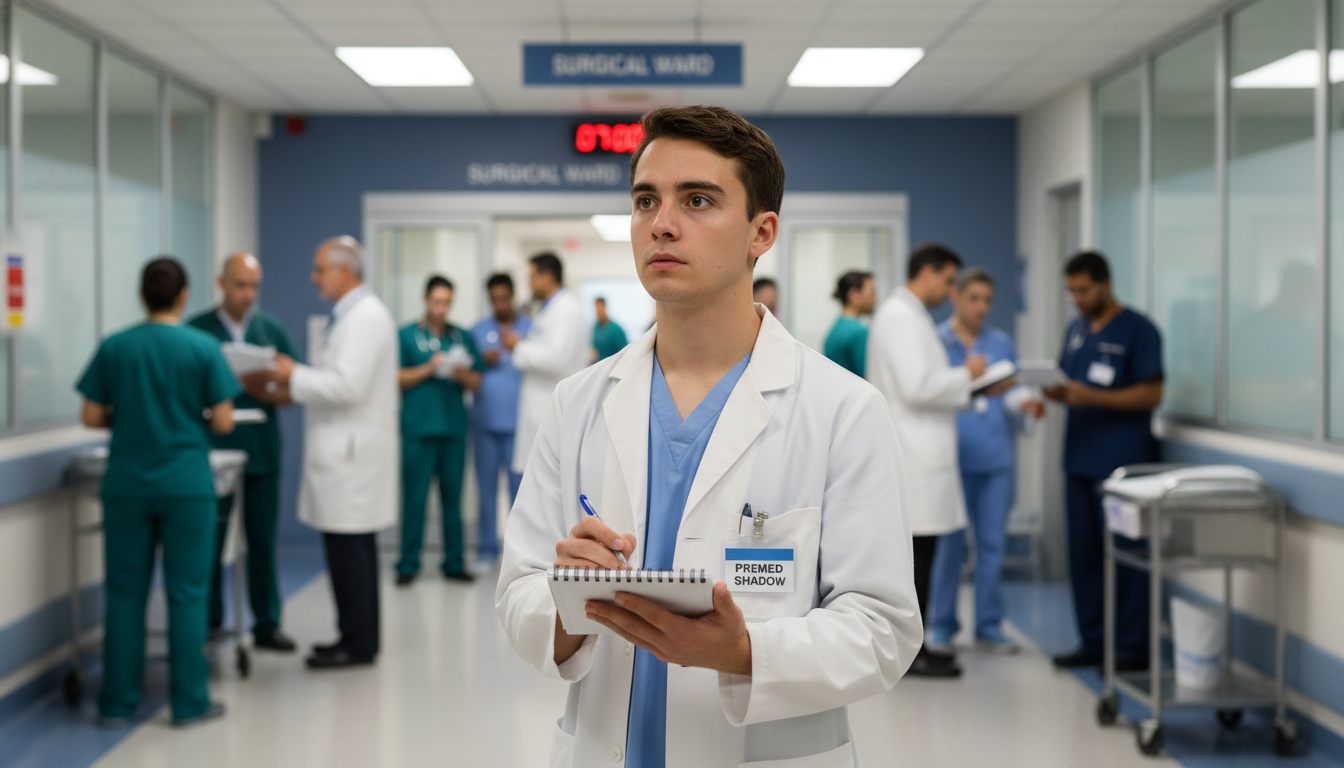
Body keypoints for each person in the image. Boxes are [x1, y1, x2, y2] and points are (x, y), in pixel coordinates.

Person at [496, 105, 920, 767]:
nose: (661, 223)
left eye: (698, 200)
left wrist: (744, 652)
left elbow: (883, 630)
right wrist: (564, 601)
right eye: (646, 200)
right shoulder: (577, 403)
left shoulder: (843, 409)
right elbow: (518, 589)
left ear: (762, 232)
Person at [76, 257, 238, 728]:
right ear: (184, 296)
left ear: (142, 295)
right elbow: (225, 421)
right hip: (187, 486)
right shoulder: (203, 347)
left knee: (124, 594)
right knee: (188, 594)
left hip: (126, 485)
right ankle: (189, 704)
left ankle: (116, 703)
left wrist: (127, 418)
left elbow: (90, 416)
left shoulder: (116, 347)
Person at [254, 236, 399, 670]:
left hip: (352, 457)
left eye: (320, 270)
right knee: (347, 551)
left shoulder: (366, 317)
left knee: (351, 552)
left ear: (343, 272)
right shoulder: (352, 316)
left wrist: (293, 374)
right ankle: (353, 636)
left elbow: (347, 386)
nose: (314, 278)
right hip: (348, 454)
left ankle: (357, 644)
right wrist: (298, 377)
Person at [867, 242, 995, 678]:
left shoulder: (910, 315)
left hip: (924, 454)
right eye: (947, 280)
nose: (950, 290)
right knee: (917, 560)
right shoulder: (900, 317)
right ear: (927, 272)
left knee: (924, 555)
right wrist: (969, 376)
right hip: (915, 455)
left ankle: (917, 648)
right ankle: (911, 654)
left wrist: (966, 383)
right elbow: (917, 386)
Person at [1044, 251, 1163, 671]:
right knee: (1085, 558)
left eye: (1084, 290)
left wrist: (1091, 396)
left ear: (1106, 284)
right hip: (1078, 462)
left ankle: (1132, 649)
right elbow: (1068, 379)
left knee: (1129, 558)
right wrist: (1053, 393)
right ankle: (1093, 640)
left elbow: (1152, 394)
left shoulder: (1139, 330)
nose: (1077, 298)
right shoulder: (1076, 330)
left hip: (1122, 466)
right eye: (1071, 291)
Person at [926, 268, 1045, 656]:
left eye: (987, 300)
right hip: (951, 458)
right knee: (949, 546)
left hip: (994, 460)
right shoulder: (936, 341)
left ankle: (989, 625)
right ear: (955, 297)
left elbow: (1010, 392)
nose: (981, 307)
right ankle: (942, 624)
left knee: (992, 545)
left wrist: (1025, 402)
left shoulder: (1000, 342)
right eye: (973, 298)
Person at [186, 253, 299, 653]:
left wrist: (263, 385)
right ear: (222, 283)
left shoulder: (271, 330)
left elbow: (292, 391)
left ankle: (267, 624)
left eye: (254, 286)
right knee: (209, 542)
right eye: (240, 285)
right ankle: (208, 621)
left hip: (261, 453)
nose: (248, 294)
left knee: (262, 541)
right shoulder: (198, 330)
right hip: (213, 453)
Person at [396, 275, 484, 586]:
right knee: (415, 499)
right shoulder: (406, 335)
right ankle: (407, 564)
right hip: (418, 430)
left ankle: (454, 563)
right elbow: (396, 378)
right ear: (425, 300)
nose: (442, 308)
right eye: (437, 302)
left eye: (447, 302)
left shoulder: (461, 337)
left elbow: (477, 382)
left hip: (453, 429)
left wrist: (460, 373)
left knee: (452, 500)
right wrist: (429, 368)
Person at [501, 252, 589, 476]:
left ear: (547, 276)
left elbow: (556, 359)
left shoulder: (566, 309)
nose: (529, 285)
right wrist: (525, 344)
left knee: (550, 483)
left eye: (531, 278)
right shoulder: (551, 309)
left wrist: (518, 347)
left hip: (552, 410)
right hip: (543, 408)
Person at [471, 273, 532, 561]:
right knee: (486, 490)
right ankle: (487, 549)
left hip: (519, 424)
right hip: (484, 423)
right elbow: (468, 370)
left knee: (520, 494)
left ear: (513, 296)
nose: (499, 303)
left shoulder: (530, 329)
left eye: (504, 298)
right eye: (494, 299)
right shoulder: (477, 331)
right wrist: (483, 360)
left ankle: (517, 554)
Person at [823, 270, 876, 376]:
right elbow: (866, 376)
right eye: (872, 292)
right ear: (853, 294)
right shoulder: (859, 332)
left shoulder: (837, 327)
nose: (875, 297)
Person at [590, 297, 628, 361]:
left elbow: (624, 352)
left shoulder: (616, 330)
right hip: (600, 366)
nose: (598, 310)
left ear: (605, 307)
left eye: (600, 307)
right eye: (596, 308)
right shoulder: (595, 329)